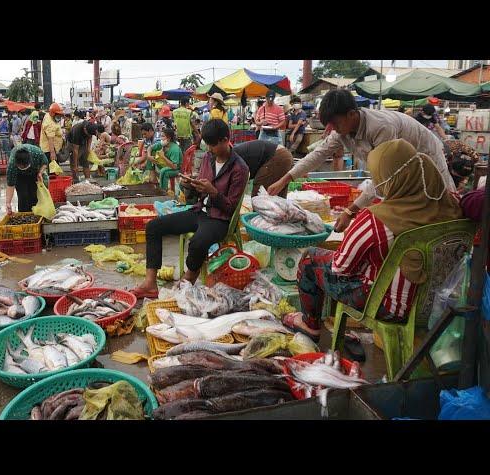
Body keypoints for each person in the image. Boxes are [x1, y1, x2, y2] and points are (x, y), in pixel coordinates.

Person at [283, 139, 463, 342]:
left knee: (311, 259)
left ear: (390, 179)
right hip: (440, 305)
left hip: (390, 307)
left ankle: (310, 324)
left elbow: (341, 267)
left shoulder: (377, 219)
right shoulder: (454, 205)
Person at [266, 89, 457, 232]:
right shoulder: (342, 130)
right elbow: (318, 154)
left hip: (426, 156)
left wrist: (351, 211)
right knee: (402, 208)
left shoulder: (382, 127)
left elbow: (384, 178)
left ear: (351, 114)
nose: (333, 129)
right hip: (399, 170)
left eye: (336, 123)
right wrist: (285, 179)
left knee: (440, 203)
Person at [131, 119, 249, 299]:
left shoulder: (240, 168)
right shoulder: (209, 157)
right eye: (207, 144)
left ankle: (188, 279)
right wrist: (190, 184)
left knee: (198, 243)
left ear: (225, 140)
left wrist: (213, 192)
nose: (209, 149)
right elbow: (198, 192)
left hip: (219, 219)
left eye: (212, 145)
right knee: (153, 227)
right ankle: (150, 283)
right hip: (199, 210)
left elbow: (230, 207)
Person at [5, 143, 49, 214]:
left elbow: (45, 163)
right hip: (20, 176)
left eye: (25, 167)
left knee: (34, 195)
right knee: (23, 196)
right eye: (21, 167)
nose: (24, 169)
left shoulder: (37, 153)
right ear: (16, 164)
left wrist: (40, 172)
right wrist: (8, 203)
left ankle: (35, 214)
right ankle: (24, 215)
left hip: (34, 173)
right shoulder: (12, 165)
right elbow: (10, 184)